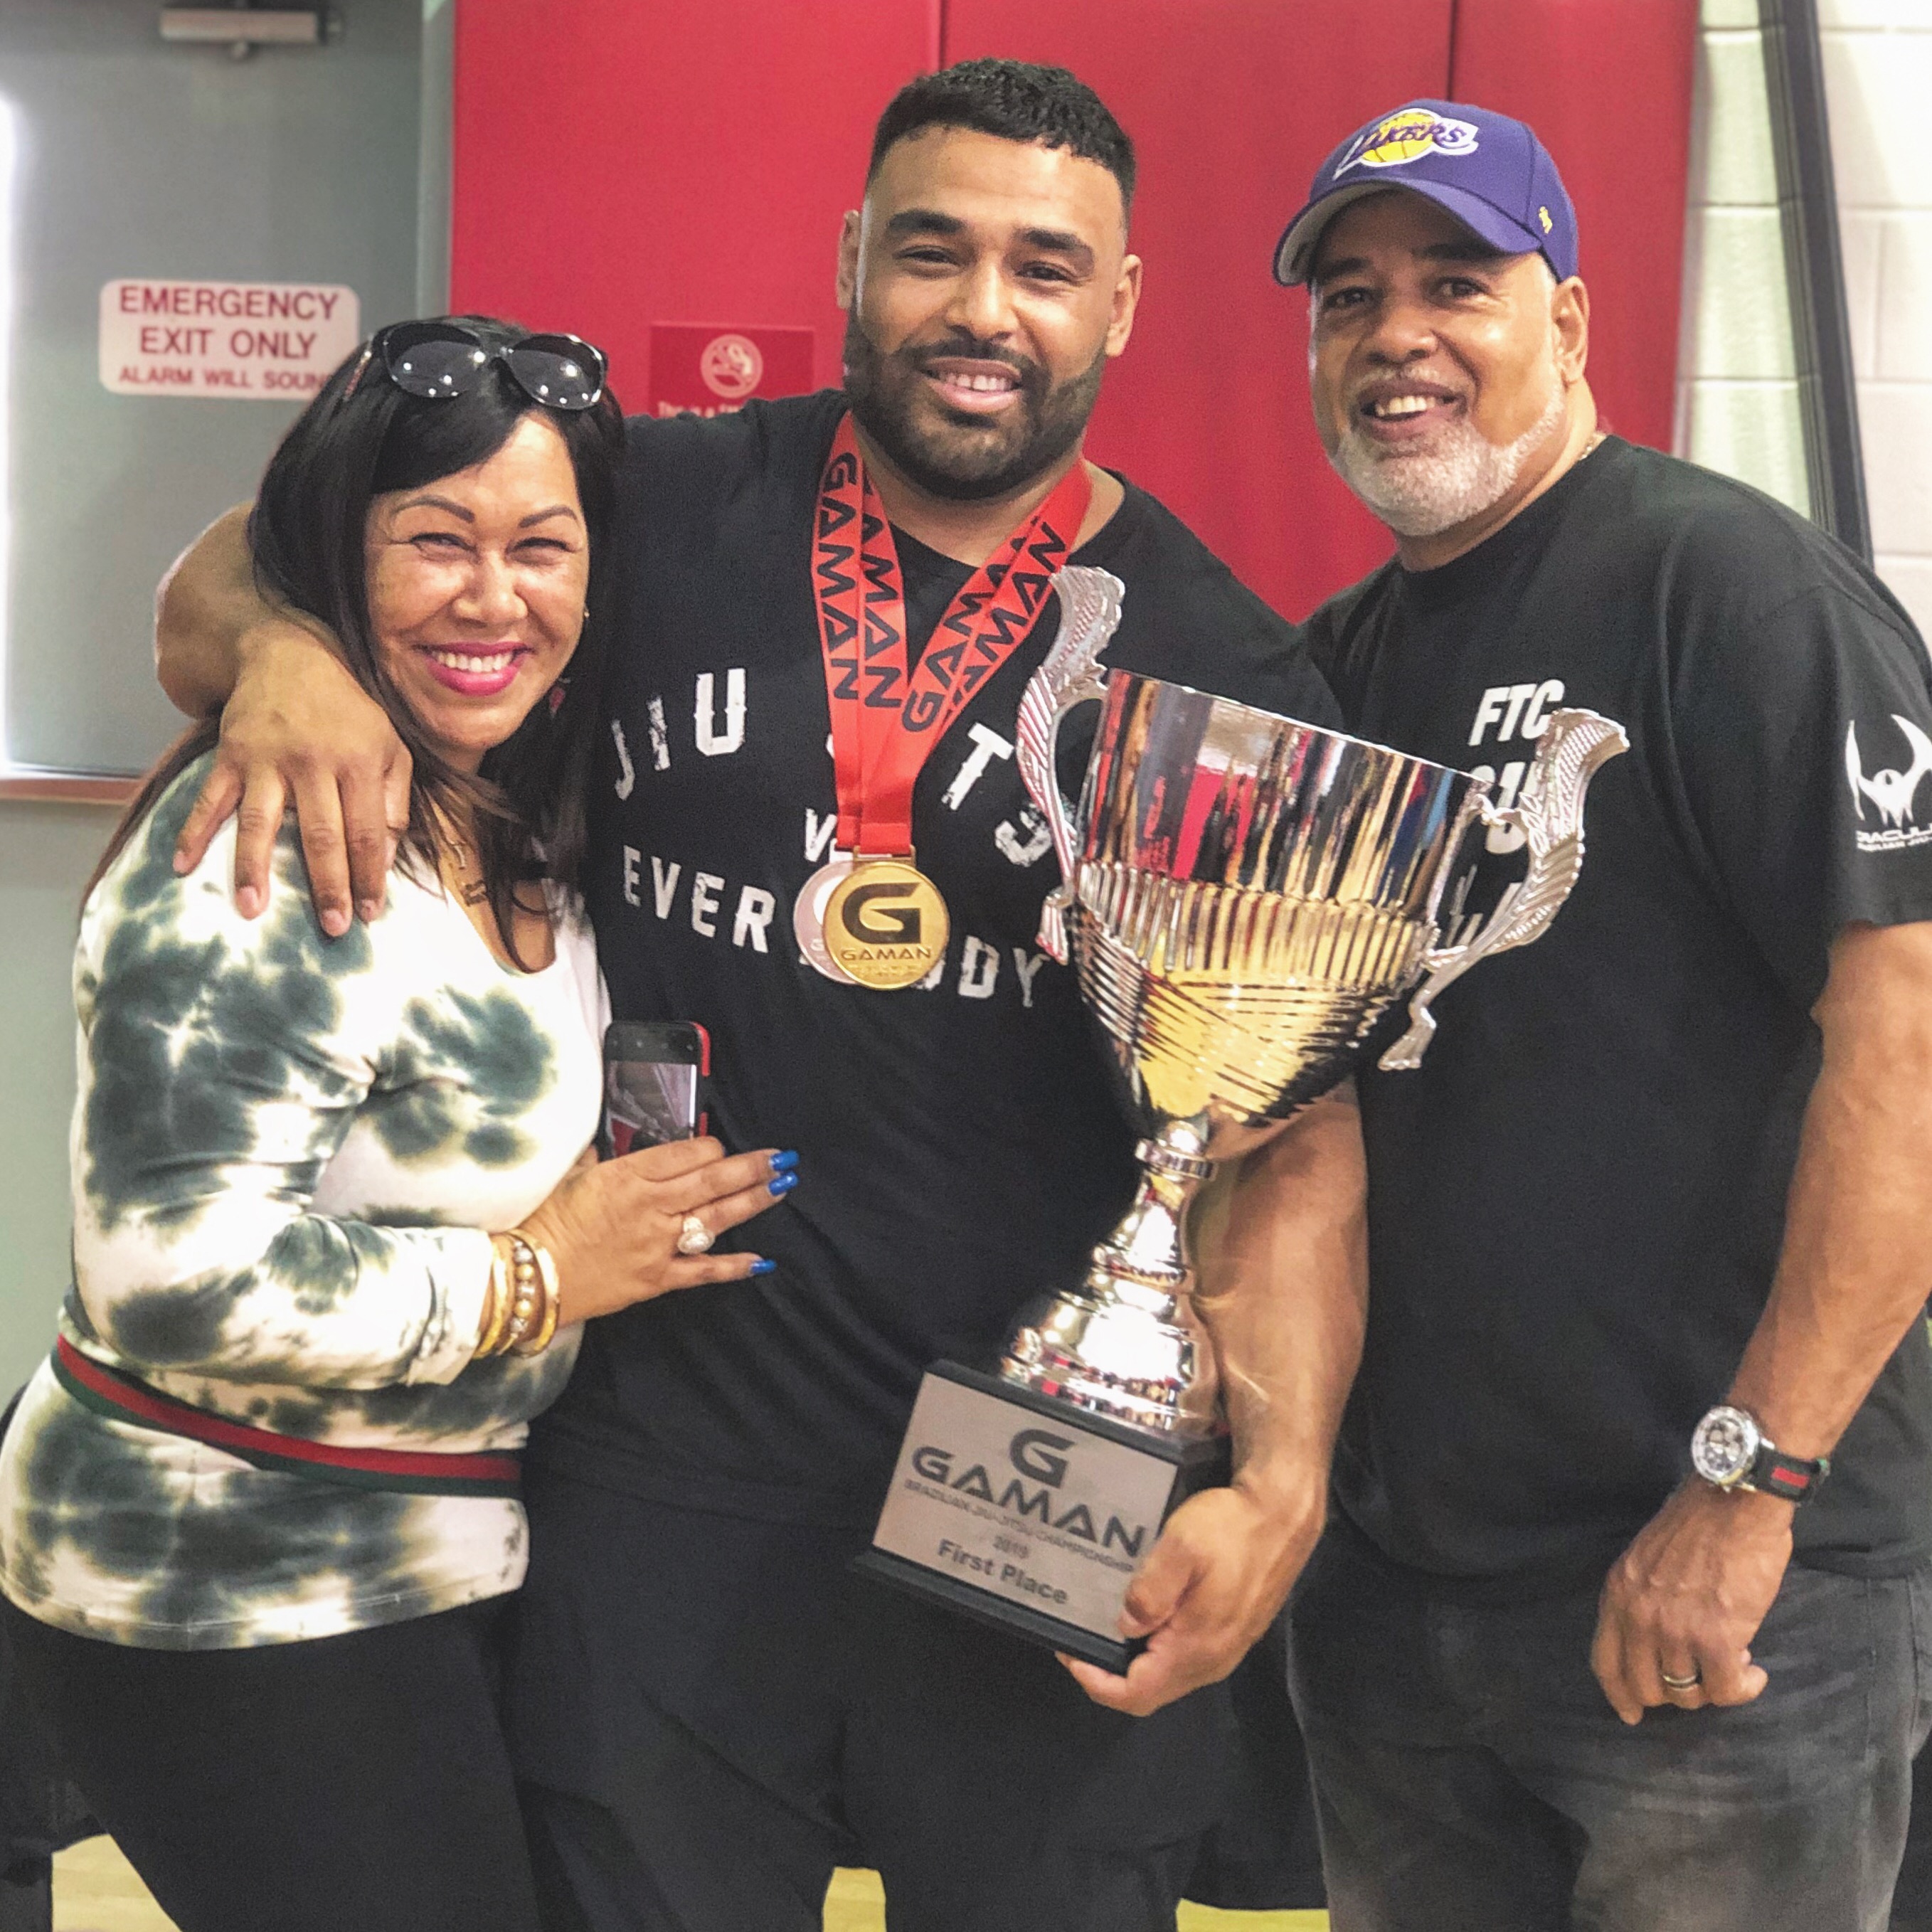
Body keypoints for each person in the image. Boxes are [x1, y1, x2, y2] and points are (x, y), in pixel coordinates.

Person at [152, 59, 1366, 1932]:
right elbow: (231, 570)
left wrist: (1279, 1480)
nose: (982, 310)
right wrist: (287, 656)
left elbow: (1286, 1135)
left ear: (1117, 304)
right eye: (931, 250)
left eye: (1046, 266)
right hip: (668, 1446)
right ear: (851, 262)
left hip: (1033, 1462)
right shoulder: (660, 490)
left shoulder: (1219, 667)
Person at [0, 317, 790, 1932]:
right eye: (432, 540)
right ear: (334, 561)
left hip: (425, 1564)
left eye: (539, 547)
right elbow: (170, 1272)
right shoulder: (269, 832)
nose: (492, 597)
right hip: (220, 1580)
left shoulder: (509, 797)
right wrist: (532, 1278)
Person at [1270, 100, 1932, 1931]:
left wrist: (1748, 1485)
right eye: (1348, 296)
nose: (1392, 332)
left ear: (1564, 320)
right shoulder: (1329, 667)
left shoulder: (1727, 592)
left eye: (1453, 282)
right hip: (1403, 1609)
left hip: (1716, 1598)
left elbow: (1909, 1049)